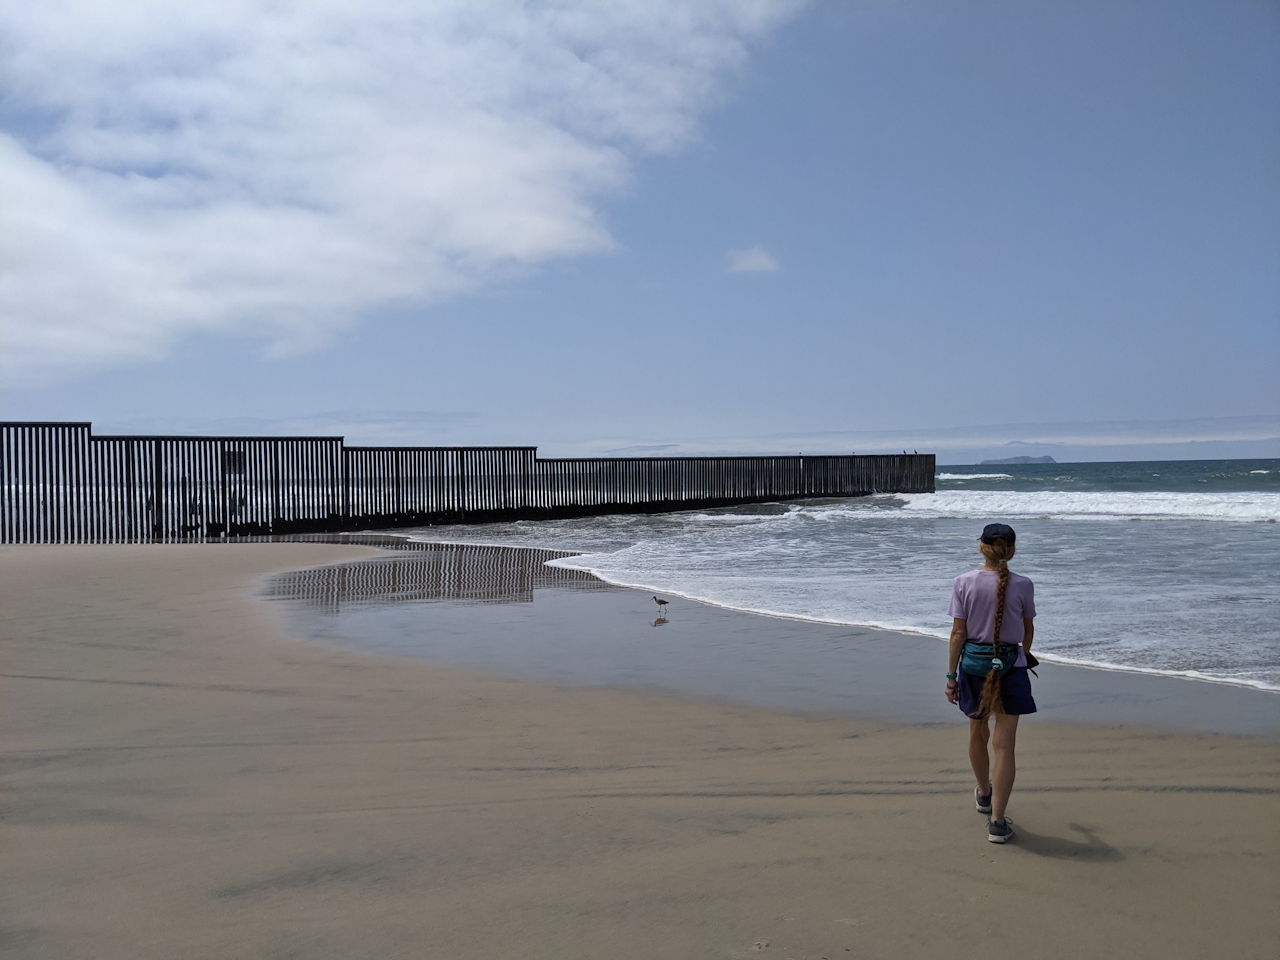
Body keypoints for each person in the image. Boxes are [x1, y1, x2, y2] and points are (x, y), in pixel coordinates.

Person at [945, 522, 1036, 843]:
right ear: (1010, 550)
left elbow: (958, 633)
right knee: (1005, 745)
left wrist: (951, 676)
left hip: (972, 668)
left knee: (977, 730)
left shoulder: (963, 582)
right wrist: (1023, 656)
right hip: (1011, 667)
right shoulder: (1023, 584)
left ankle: (984, 793)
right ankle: (997, 822)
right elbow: (1027, 633)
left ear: (981, 547)